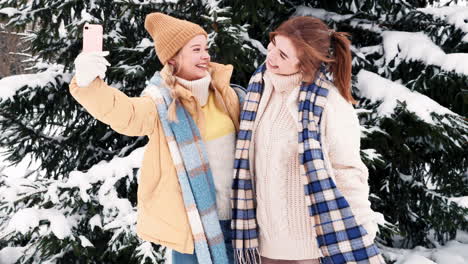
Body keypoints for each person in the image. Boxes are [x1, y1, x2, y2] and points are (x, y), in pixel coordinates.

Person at [70, 12, 244, 264]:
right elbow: (125, 114)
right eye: (196, 49)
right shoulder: (160, 104)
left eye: (206, 48)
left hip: (240, 223)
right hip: (192, 229)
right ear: (173, 58)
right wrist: (88, 84)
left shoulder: (226, 94)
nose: (205, 55)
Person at [231, 16, 385, 264]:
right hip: (263, 245)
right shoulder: (258, 90)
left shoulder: (330, 105)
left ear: (306, 64)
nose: (271, 57)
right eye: (272, 46)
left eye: (283, 55)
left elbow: (347, 170)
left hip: (311, 248)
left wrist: (362, 228)